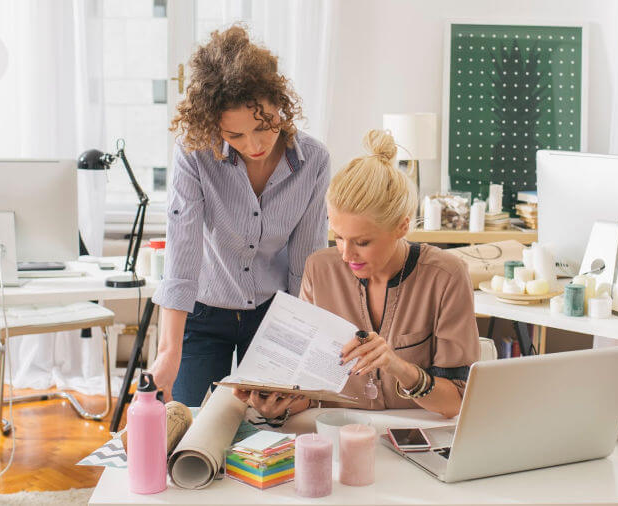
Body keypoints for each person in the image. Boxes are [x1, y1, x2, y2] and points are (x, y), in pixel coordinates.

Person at [234, 130, 480, 423]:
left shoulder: (446, 276)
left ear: (401, 227)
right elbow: (312, 392)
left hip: (417, 434)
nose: (346, 254)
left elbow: (456, 401)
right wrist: (279, 404)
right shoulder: (319, 269)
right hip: (338, 432)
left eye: (362, 242)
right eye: (338, 237)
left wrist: (397, 367)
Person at [148, 25, 330, 406]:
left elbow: (305, 265)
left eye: (263, 127)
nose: (255, 145)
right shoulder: (194, 154)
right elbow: (182, 259)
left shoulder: (313, 160)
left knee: (270, 429)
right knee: (192, 426)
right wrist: (168, 353)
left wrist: (298, 352)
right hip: (204, 310)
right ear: (215, 128)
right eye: (236, 136)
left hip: (273, 314)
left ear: (279, 103)